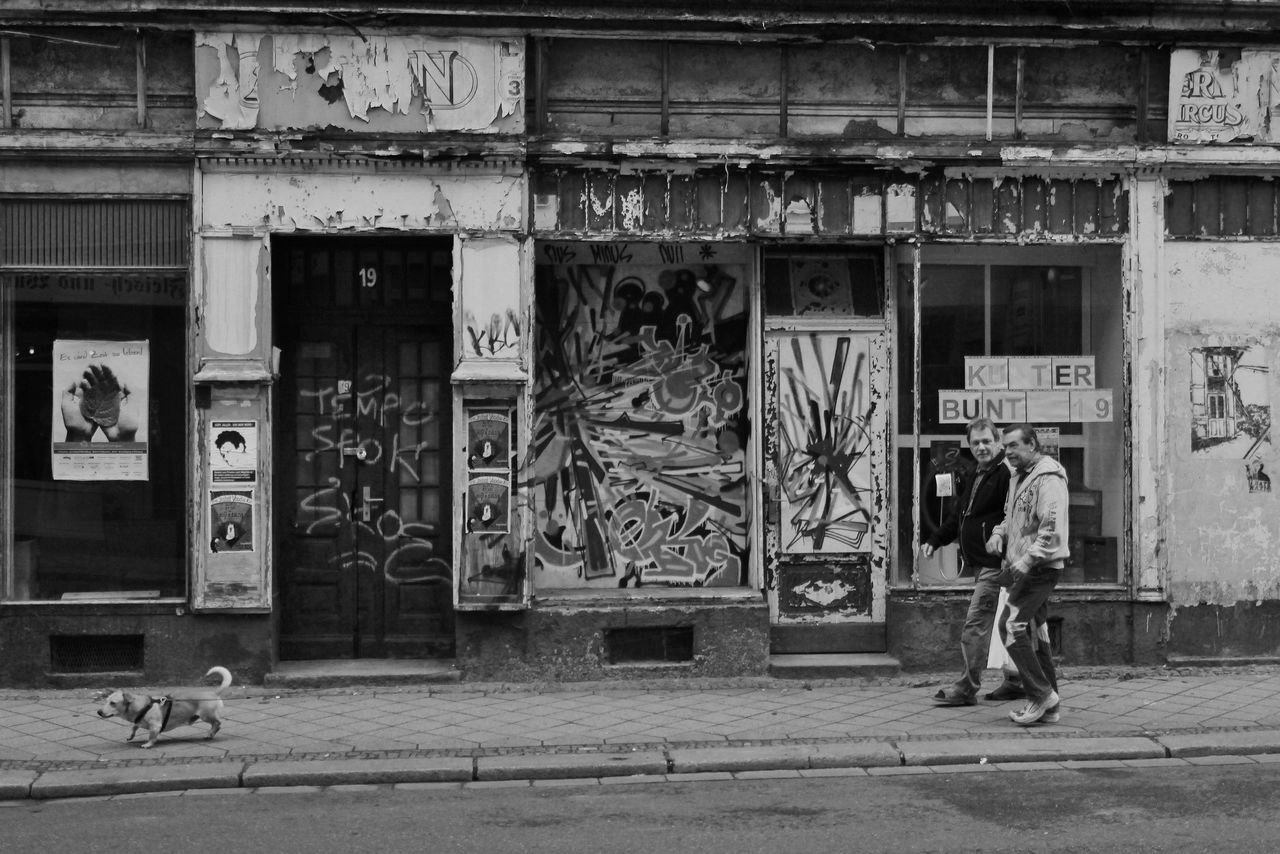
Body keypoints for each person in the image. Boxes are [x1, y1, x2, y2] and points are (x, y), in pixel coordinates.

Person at [924, 417, 1019, 706]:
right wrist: (935, 540)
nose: (981, 447)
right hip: (982, 562)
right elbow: (960, 515)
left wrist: (1002, 544)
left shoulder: (1005, 474)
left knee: (976, 624)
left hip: (996, 564)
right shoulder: (979, 472)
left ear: (998, 442)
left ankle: (966, 689)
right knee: (1013, 623)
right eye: (975, 443)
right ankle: (1019, 681)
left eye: (986, 441)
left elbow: (1012, 516)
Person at [985, 423, 1070, 726]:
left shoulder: (1048, 479)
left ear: (1032, 444)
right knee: (1037, 633)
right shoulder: (1019, 476)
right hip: (1026, 567)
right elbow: (1012, 516)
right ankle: (1051, 707)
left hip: (1039, 569)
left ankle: (1041, 695)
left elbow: (1051, 531)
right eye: (1005, 446)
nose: (1008, 452)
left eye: (1014, 446)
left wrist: (1025, 562)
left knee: (1011, 626)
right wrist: (998, 533)